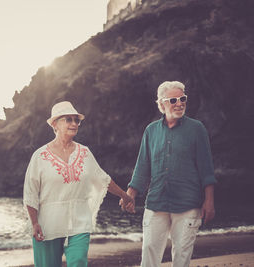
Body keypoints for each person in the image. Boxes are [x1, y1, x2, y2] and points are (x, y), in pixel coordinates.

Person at [23, 101, 133, 267]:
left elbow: (103, 179)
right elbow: (31, 192)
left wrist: (125, 196)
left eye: (77, 120)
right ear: (55, 124)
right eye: (68, 119)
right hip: (48, 223)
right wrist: (34, 223)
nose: (74, 123)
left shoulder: (85, 153)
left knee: (78, 262)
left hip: (79, 221)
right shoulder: (39, 156)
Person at [121, 81, 217, 267]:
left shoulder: (197, 129)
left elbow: (207, 168)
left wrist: (209, 201)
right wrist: (130, 194)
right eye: (173, 100)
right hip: (156, 202)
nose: (179, 103)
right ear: (162, 104)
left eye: (183, 99)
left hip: (188, 204)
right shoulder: (151, 131)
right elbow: (142, 166)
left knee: (182, 255)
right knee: (149, 251)